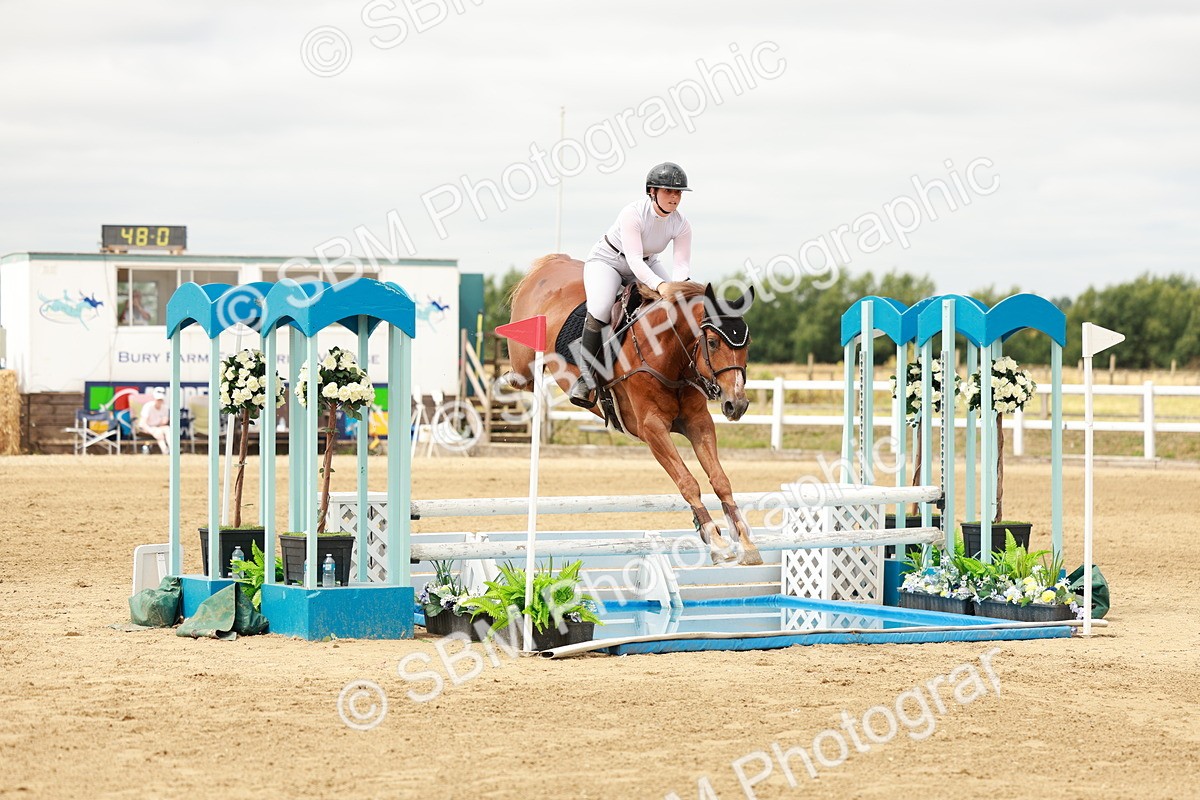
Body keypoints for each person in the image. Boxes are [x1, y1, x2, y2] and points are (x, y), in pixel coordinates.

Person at [570, 161, 693, 406]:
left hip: (647, 263)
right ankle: (585, 378)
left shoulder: (681, 224)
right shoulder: (633, 214)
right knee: (602, 307)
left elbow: (681, 266)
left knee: (677, 307)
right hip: (609, 261)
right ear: (652, 192)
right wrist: (660, 287)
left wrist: (677, 289)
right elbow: (634, 260)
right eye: (668, 191)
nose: (674, 197)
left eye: (678, 192)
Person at [138, 387, 172, 453]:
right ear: (154, 399)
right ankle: (165, 451)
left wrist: (164, 421)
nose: (159, 401)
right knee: (158, 433)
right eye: (158, 399)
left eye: (161, 399)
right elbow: (143, 423)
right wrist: (152, 431)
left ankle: (173, 450)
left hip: (158, 427)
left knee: (168, 429)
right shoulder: (148, 406)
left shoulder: (165, 408)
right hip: (147, 428)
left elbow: (163, 422)